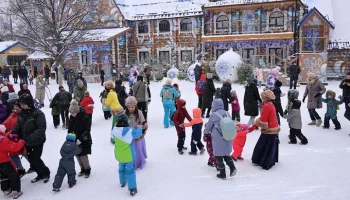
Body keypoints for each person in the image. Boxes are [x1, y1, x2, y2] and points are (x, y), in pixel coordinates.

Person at [11, 94, 51, 183]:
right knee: (31, 159)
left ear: (29, 103)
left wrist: (30, 138)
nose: (22, 106)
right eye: (21, 104)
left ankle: (45, 173)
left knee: (35, 158)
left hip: (38, 141)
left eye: (24, 104)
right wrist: (13, 133)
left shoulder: (38, 113)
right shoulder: (21, 113)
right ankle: (39, 174)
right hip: (26, 141)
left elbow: (41, 129)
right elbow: (18, 125)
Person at [203, 99, 237, 179]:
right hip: (227, 135)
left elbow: (209, 126)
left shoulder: (214, 115)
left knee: (218, 155)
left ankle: (222, 173)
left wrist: (205, 133)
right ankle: (232, 167)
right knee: (225, 153)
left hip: (218, 137)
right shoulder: (227, 113)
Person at [111, 114, 142, 196]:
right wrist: (140, 128)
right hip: (128, 155)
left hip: (119, 154)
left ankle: (122, 182)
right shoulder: (129, 131)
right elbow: (137, 134)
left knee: (121, 168)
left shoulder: (114, 130)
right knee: (130, 170)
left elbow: (113, 139)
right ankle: (132, 188)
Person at [252, 90, 280, 170]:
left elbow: (263, 119)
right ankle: (270, 159)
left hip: (269, 129)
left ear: (265, 98)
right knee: (271, 146)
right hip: (274, 127)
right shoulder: (271, 104)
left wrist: (256, 123)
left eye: (262, 97)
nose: (261, 98)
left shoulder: (267, 106)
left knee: (262, 145)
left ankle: (263, 161)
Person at [67, 99, 92, 178]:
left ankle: (87, 169)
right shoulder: (72, 118)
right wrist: (70, 139)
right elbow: (70, 129)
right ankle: (82, 169)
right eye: (71, 113)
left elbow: (87, 130)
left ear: (77, 111)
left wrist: (80, 140)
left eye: (73, 113)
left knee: (83, 155)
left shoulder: (85, 118)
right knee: (77, 155)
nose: (72, 114)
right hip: (75, 139)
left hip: (84, 139)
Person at [124, 96, 148, 170]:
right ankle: (131, 162)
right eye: (129, 107)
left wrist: (143, 127)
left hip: (137, 133)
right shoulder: (125, 113)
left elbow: (143, 121)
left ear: (135, 106)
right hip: (129, 134)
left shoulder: (139, 112)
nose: (131, 108)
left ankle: (139, 162)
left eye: (132, 107)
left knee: (138, 148)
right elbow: (123, 122)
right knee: (131, 150)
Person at [0, 130, 25, 199]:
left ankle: (5, 189)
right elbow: (14, 148)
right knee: (14, 175)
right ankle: (16, 191)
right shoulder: (2, 140)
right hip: (5, 162)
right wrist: (21, 142)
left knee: (3, 175)